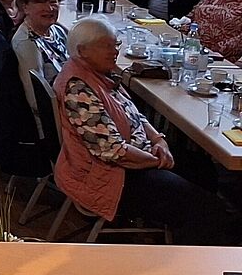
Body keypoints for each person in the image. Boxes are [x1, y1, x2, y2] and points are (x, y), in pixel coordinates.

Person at [54, 17, 237, 245]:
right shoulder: (78, 87)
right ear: (82, 51)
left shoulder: (98, 73)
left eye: (116, 45)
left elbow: (134, 114)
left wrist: (159, 140)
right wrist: (155, 160)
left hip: (135, 156)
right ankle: (188, 253)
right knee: (207, 209)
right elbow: (114, 152)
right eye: (107, 46)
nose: (115, 51)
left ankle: (188, 232)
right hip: (110, 176)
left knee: (202, 168)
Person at [9, 0, 68, 138]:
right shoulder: (27, 43)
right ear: (25, 7)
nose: (49, 8)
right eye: (40, 2)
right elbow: (37, 100)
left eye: (53, 1)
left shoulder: (57, 31)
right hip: (56, 122)